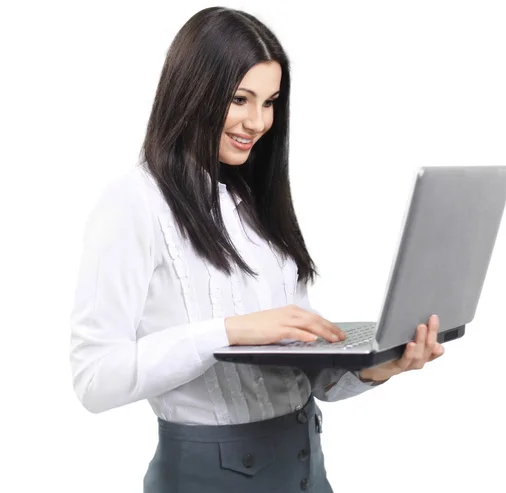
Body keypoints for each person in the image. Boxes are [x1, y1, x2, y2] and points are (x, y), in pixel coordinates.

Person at [69, 6, 445, 492]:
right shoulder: (134, 203)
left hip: (306, 466)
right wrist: (227, 333)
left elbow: (307, 377)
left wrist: (378, 368)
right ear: (192, 92)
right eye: (240, 99)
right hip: (209, 476)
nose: (257, 121)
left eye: (270, 102)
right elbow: (94, 380)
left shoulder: (252, 202)